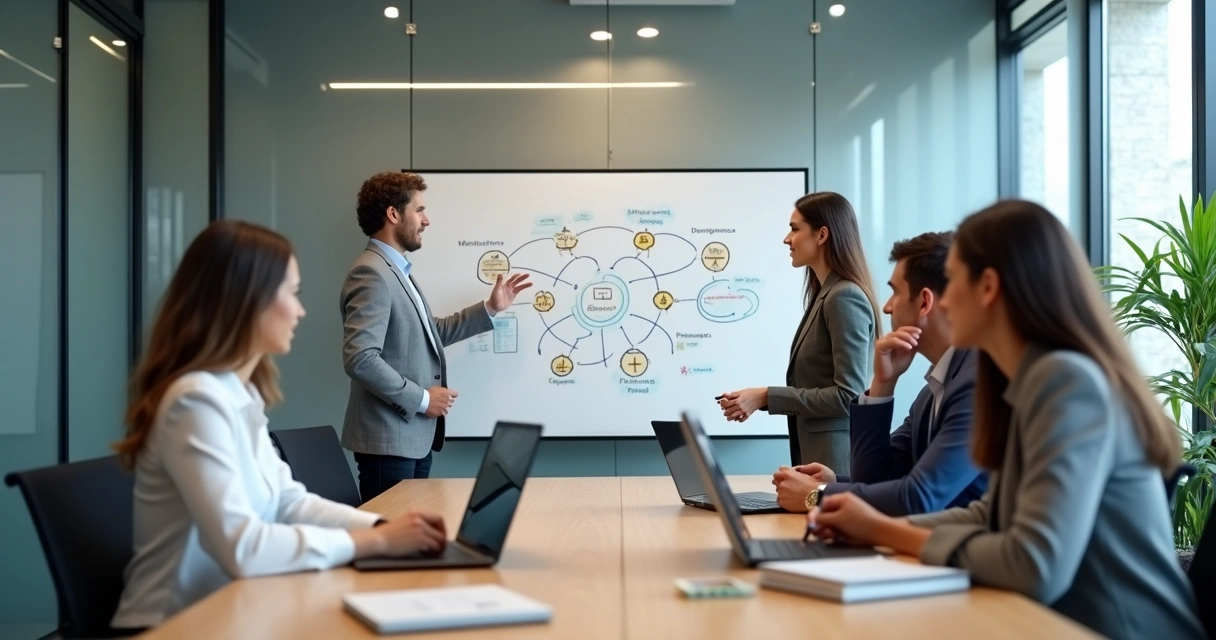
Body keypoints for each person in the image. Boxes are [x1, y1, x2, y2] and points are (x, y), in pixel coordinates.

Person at [806, 201, 1204, 640]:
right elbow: (990, 514)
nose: (943, 298)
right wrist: (871, 527)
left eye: (954, 279)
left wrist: (881, 529)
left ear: (988, 287)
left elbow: (1035, 565)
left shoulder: (1067, 382)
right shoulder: (1026, 378)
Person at [110, 221, 448, 629]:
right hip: (177, 624)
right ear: (245, 300)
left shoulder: (240, 394)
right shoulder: (195, 401)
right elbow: (243, 547)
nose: (301, 310)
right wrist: (374, 542)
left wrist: (384, 528)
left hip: (236, 609)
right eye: (292, 293)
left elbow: (289, 503)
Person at [340, 171, 530, 501]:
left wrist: (490, 308)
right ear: (393, 214)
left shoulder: (395, 271)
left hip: (410, 440)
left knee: (410, 545)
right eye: (419, 210)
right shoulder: (371, 273)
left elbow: (432, 332)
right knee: (392, 548)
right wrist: (424, 400)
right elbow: (360, 358)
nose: (427, 220)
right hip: (389, 443)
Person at [771, 231, 987, 515]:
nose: (886, 307)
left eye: (895, 292)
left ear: (924, 302)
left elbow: (919, 496)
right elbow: (877, 479)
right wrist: (883, 384)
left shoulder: (977, 387)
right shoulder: (933, 391)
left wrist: (818, 495)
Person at [718, 192, 880, 471]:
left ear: (821, 235)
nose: (786, 239)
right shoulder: (825, 295)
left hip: (837, 467)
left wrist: (766, 396)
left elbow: (848, 397)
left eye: (794, 229)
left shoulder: (844, 297)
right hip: (820, 461)